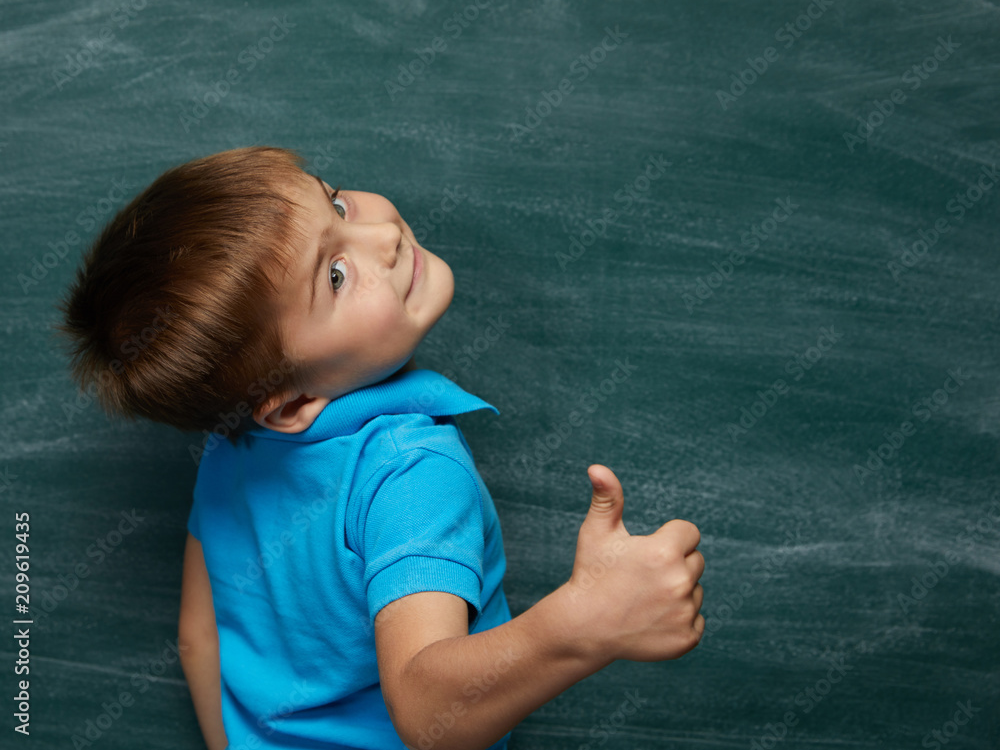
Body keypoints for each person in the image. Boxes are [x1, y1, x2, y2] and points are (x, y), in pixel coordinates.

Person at [58, 146, 705, 750]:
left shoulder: (231, 451)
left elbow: (199, 639)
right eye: (335, 275)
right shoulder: (410, 471)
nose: (385, 235)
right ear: (289, 403)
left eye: (336, 203)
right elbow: (426, 709)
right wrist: (585, 622)